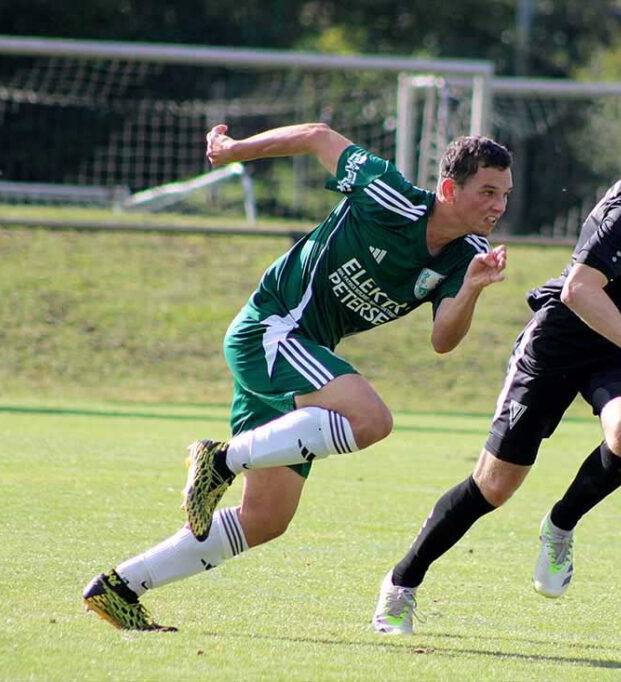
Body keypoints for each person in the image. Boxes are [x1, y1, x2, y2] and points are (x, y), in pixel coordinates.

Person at [83, 121, 513, 631]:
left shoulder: (465, 258)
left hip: (299, 354)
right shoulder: (388, 193)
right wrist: (233, 150)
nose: (498, 206)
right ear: (449, 188)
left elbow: (443, 340)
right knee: (370, 419)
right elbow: (317, 135)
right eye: (487, 191)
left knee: (265, 519)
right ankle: (220, 460)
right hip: (272, 328)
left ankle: (119, 588)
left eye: (505, 195)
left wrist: (472, 290)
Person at [372, 113, 621, 635]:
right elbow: (578, 291)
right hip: (562, 337)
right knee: (494, 486)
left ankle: (561, 525)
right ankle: (401, 584)